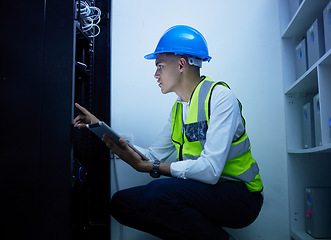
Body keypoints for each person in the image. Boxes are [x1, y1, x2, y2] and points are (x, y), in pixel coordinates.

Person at [74, 25, 263, 240]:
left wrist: (151, 167)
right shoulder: (178, 109)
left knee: (159, 193)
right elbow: (153, 155)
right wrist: (107, 132)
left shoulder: (220, 97)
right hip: (204, 190)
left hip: (240, 196)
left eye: (160, 66)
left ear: (182, 64)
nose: (156, 74)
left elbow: (210, 170)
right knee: (121, 204)